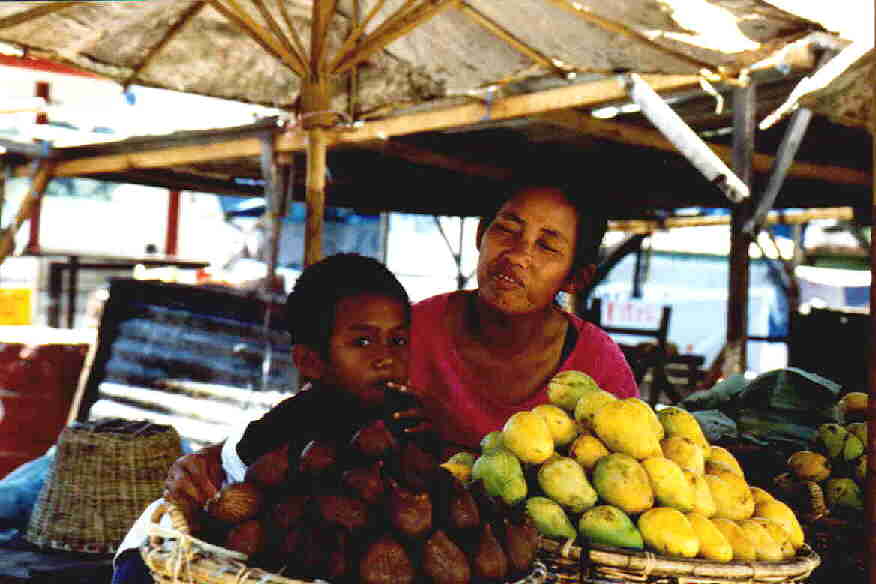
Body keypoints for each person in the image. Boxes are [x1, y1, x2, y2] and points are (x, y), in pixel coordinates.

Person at [160, 178, 638, 509]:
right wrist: (216, 458)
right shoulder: (409, 329)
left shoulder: (598, 366)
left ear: (576, 277)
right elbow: (315, 408)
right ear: (481, 234)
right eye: (506, 229)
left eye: (547, 246)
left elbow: (631, 479)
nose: (517, 254)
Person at [112, 252, 416, 583]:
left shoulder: (408, 416)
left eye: (398, 340)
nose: (386, 357)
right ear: (310, 362)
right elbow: (233, 491)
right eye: (363, 341)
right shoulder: (291, 422)